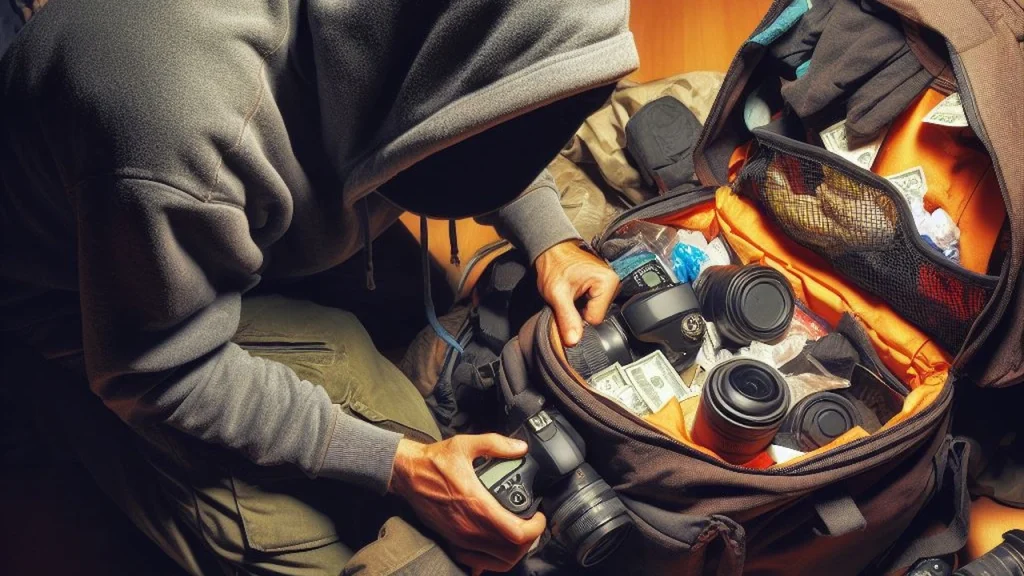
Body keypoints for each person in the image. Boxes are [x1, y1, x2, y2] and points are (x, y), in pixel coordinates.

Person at [0, 1, 638, 574]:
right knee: (389, 550)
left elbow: (485, 87)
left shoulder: (395, 33)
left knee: (438, 338)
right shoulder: (175, 119)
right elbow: (157, 371)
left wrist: (550, 237)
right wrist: (396, 465)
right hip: (90, 305)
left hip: (218, 220)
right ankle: (64, 415)